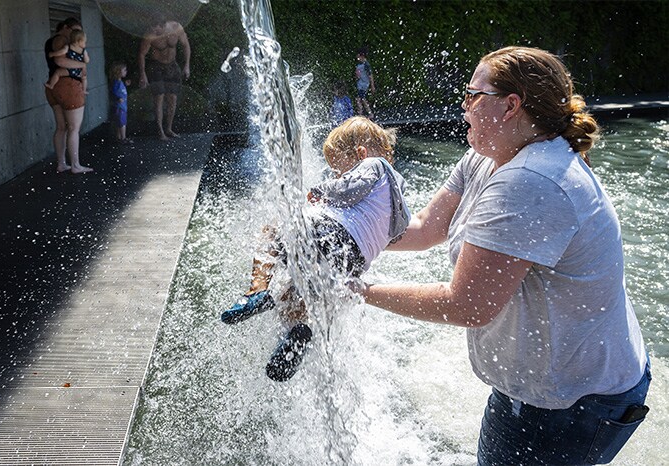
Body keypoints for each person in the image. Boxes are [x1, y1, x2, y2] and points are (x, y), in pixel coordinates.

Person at [356, 46, 650, 465]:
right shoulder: (486, 154)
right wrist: (340, 236)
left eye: (473, 94)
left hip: (575, 403)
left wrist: (358, 289)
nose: (464, 105)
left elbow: (466, 304)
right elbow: (425, 227)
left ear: (511, 105)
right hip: (543, 387)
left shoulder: (532, 181)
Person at [221, 117, 411, 382]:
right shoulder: (399, 201)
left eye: (338, 171)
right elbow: (394, 235)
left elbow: (351, 187)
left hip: (329, 236)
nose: (336, 176)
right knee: (297, 294)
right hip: (351, 263)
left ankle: (257, 290)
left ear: (360, 153)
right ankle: (299, 330)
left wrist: (321, 190)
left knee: (273, 228)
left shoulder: (373, 164)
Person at [44, 18, 93, 174]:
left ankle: (62, 163)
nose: (75, 35)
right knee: (73, 128)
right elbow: (60, 60)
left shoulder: (49, 41)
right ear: (65, 27)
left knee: (61, 127)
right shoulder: (62, 40)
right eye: (74, 30)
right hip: (68, 86)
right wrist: (82, 65)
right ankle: (76, 165)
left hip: (54, 87)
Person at [138, 14, 191, 141]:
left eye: (157, 30)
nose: (154, 32)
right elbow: (141, 54)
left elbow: (186, 45)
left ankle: (169, 128)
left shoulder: (176, 28)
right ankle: (160, 131)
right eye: (152, 30)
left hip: (172, 66)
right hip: (156, 67)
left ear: (163, 26)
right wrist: (143, 74)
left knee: (172, 98)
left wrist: (187, 65)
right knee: (159, 98)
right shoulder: (150, 34)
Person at [45, 29, 90, 95]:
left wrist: (52, 54)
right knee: (84, 78)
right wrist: (86, 58)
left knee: (57, 73)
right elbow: (87, 60)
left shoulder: (68, 47)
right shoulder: (83, 51)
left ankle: (51, 85)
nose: (85, 44)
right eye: (84, 42)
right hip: (79, 71)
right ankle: (84, 90)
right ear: (79, 42)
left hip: (69, 69)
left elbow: (61, 52)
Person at [109, 62, 131, 143]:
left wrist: (125, 84)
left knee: (120, 122)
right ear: (118, 72)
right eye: (124, 70)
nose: (126, 71)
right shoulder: (116, 83)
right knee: (122, 122)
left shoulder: (119, 82)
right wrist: (118, 98)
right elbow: (114, 91)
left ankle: (119, 137)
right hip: (120, 106)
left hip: (122, 106)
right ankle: (123, 138)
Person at [355, 47, 375, 120]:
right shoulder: (359, 64)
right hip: (360, 84)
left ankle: (361, 114)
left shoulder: (366, 64)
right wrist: (357, 75)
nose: (357, 56)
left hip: (364, 85)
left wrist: (372, 86)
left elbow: (370, 75)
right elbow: (358, 76)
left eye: (358, 55)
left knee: (359, 99)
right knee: (362, 99)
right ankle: (368, 113)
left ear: (362, 55)